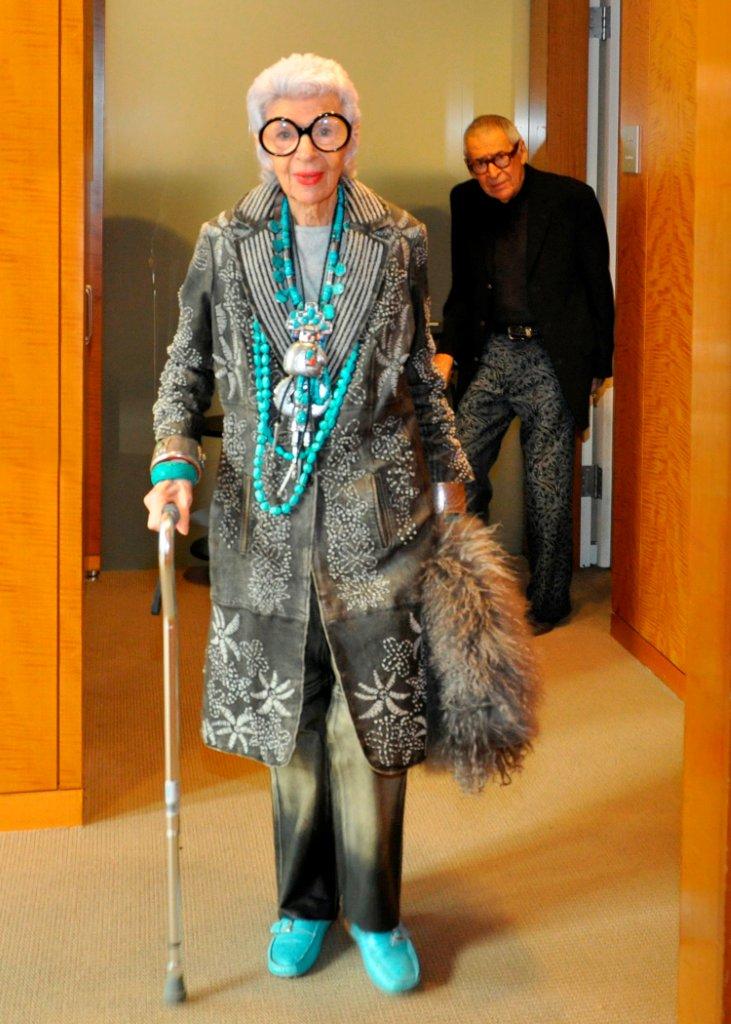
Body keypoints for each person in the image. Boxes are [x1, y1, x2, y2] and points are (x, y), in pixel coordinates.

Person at [144, 52, 472, 994]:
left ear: (349, 134)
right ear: (262, 142)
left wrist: (451, 475)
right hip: (265, 518)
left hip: (377, 515)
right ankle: (302, 901)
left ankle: (374, 912)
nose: (305, 151)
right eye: (283, 132)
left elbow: (418, 370)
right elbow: (185, 368)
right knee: (290, 724)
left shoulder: (397, 238)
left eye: (324, 128)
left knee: (374, 724)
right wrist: (173, 458)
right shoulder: (226, 240)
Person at [435, 115, 614, 634]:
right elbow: (464, 289)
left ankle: (550, 601)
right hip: (490, 354)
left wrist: (599, 364)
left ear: (520, 150)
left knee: (548, 488)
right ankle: (468, 585)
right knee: (458, 471)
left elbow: (596, 286)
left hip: (550, 360)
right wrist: (448, 350)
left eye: (500, 157)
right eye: (478, 163)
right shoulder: (465, 201)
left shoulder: (571, 199)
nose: (491, 172)